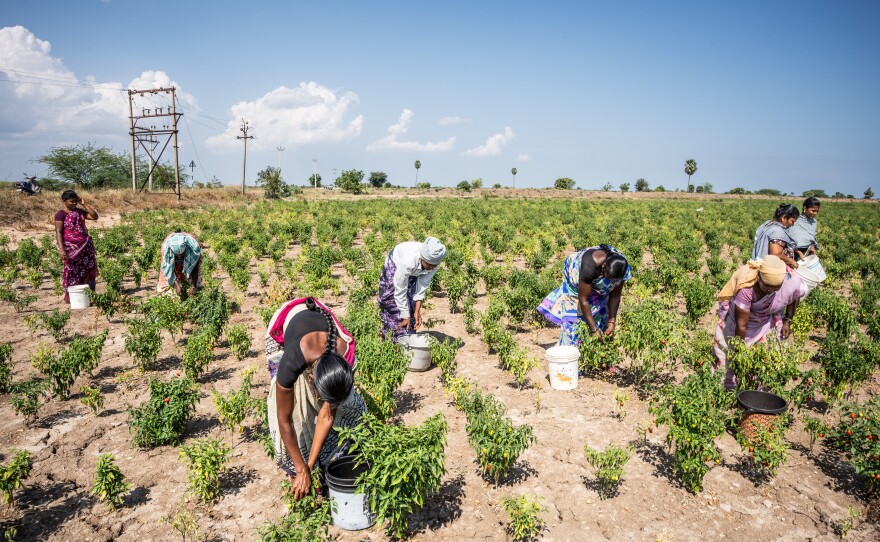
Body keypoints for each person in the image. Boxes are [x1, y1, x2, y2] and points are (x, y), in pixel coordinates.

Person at [265, 297, 367, 500]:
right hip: (289, 323)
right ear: (312, 377)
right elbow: (283, 420)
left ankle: (326, 461)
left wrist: (310, 465)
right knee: (297, 417)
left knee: (350, 410)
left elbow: (327, 415)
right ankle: (296, 473)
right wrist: (301, 469)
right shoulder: (292, 360)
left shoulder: (345, 356)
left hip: (320, 322)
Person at [712, 255, 807, 389]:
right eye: (766, 287)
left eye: (775, 288)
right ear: (759, 278)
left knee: (766, 356)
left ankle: (757, 387)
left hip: (766, 318)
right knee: (729, 353)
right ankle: (726, 388)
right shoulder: (746, 287)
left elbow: (793, 295)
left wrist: (788, 320)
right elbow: (742, 325)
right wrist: (740, 351)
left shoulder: (790, 281)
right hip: (741, 322)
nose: (770, 291)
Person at [537, 244, 631, 347]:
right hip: (577, 280)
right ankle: (571, 348)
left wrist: (611, 321)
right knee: (574, 324)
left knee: (602, 316)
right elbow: (583, 300)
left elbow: (615, 295)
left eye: (614, 280)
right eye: (609, 277)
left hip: (596, 278)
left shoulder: (622, 268)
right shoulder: (589, 267)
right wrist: (593, 329)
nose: (611, 281)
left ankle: (595, 346)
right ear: (604, 266)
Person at [378, 237, 447, 339]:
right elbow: (400, 289)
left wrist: (417, 311)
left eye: (434, 265)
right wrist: (405, 316)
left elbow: (423, 284)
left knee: (411, 304)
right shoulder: (408, 262)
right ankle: (393, 338)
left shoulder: (434, 262)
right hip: (396, 263)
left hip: (413, 268)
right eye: (429, 265)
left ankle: (409, 338)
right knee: (392, 303)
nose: (431, 268)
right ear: (421, 258)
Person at [54, 190, 98, 303]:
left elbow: (94, 216)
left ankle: (88, 295)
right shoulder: (60, 214)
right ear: (64, 201)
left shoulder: (80, 212)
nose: (74, 204)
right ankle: (71, 297)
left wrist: (84, 204)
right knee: (71, 271)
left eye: (75, 201)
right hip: (70, 249)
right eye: (71, 201)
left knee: (88, 270)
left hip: (85, 246)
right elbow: (58, 232)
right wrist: (62, 250)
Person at [751, 203, 800, 269]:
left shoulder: (767, 224)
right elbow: (776, 254)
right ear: (784, 218)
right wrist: (792, 261)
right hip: (767, 269)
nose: (792, 225)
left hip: (756, 263)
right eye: (792, 221)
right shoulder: (777, 231)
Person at [157, 231, 203, 297]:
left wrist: (194, 286)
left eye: (181, 254)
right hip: (170, 257)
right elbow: (168, 269)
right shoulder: (166, 250)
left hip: (190, 254)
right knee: (165, 285)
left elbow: (195, 267)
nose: (179, 257)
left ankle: (193, 289)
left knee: (196, 284)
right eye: (176, 255)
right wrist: (176, 284)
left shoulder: (194, 250)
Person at [788, 197, 820, 261]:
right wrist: (798, 251)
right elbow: (790, 239)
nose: (815, 213)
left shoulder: (814, 222)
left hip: (809, 253)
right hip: (795, 254)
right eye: (813, 211)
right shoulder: (796, 220)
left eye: (817, 211)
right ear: (805, 208)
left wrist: (812, 247)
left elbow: (812, 238)